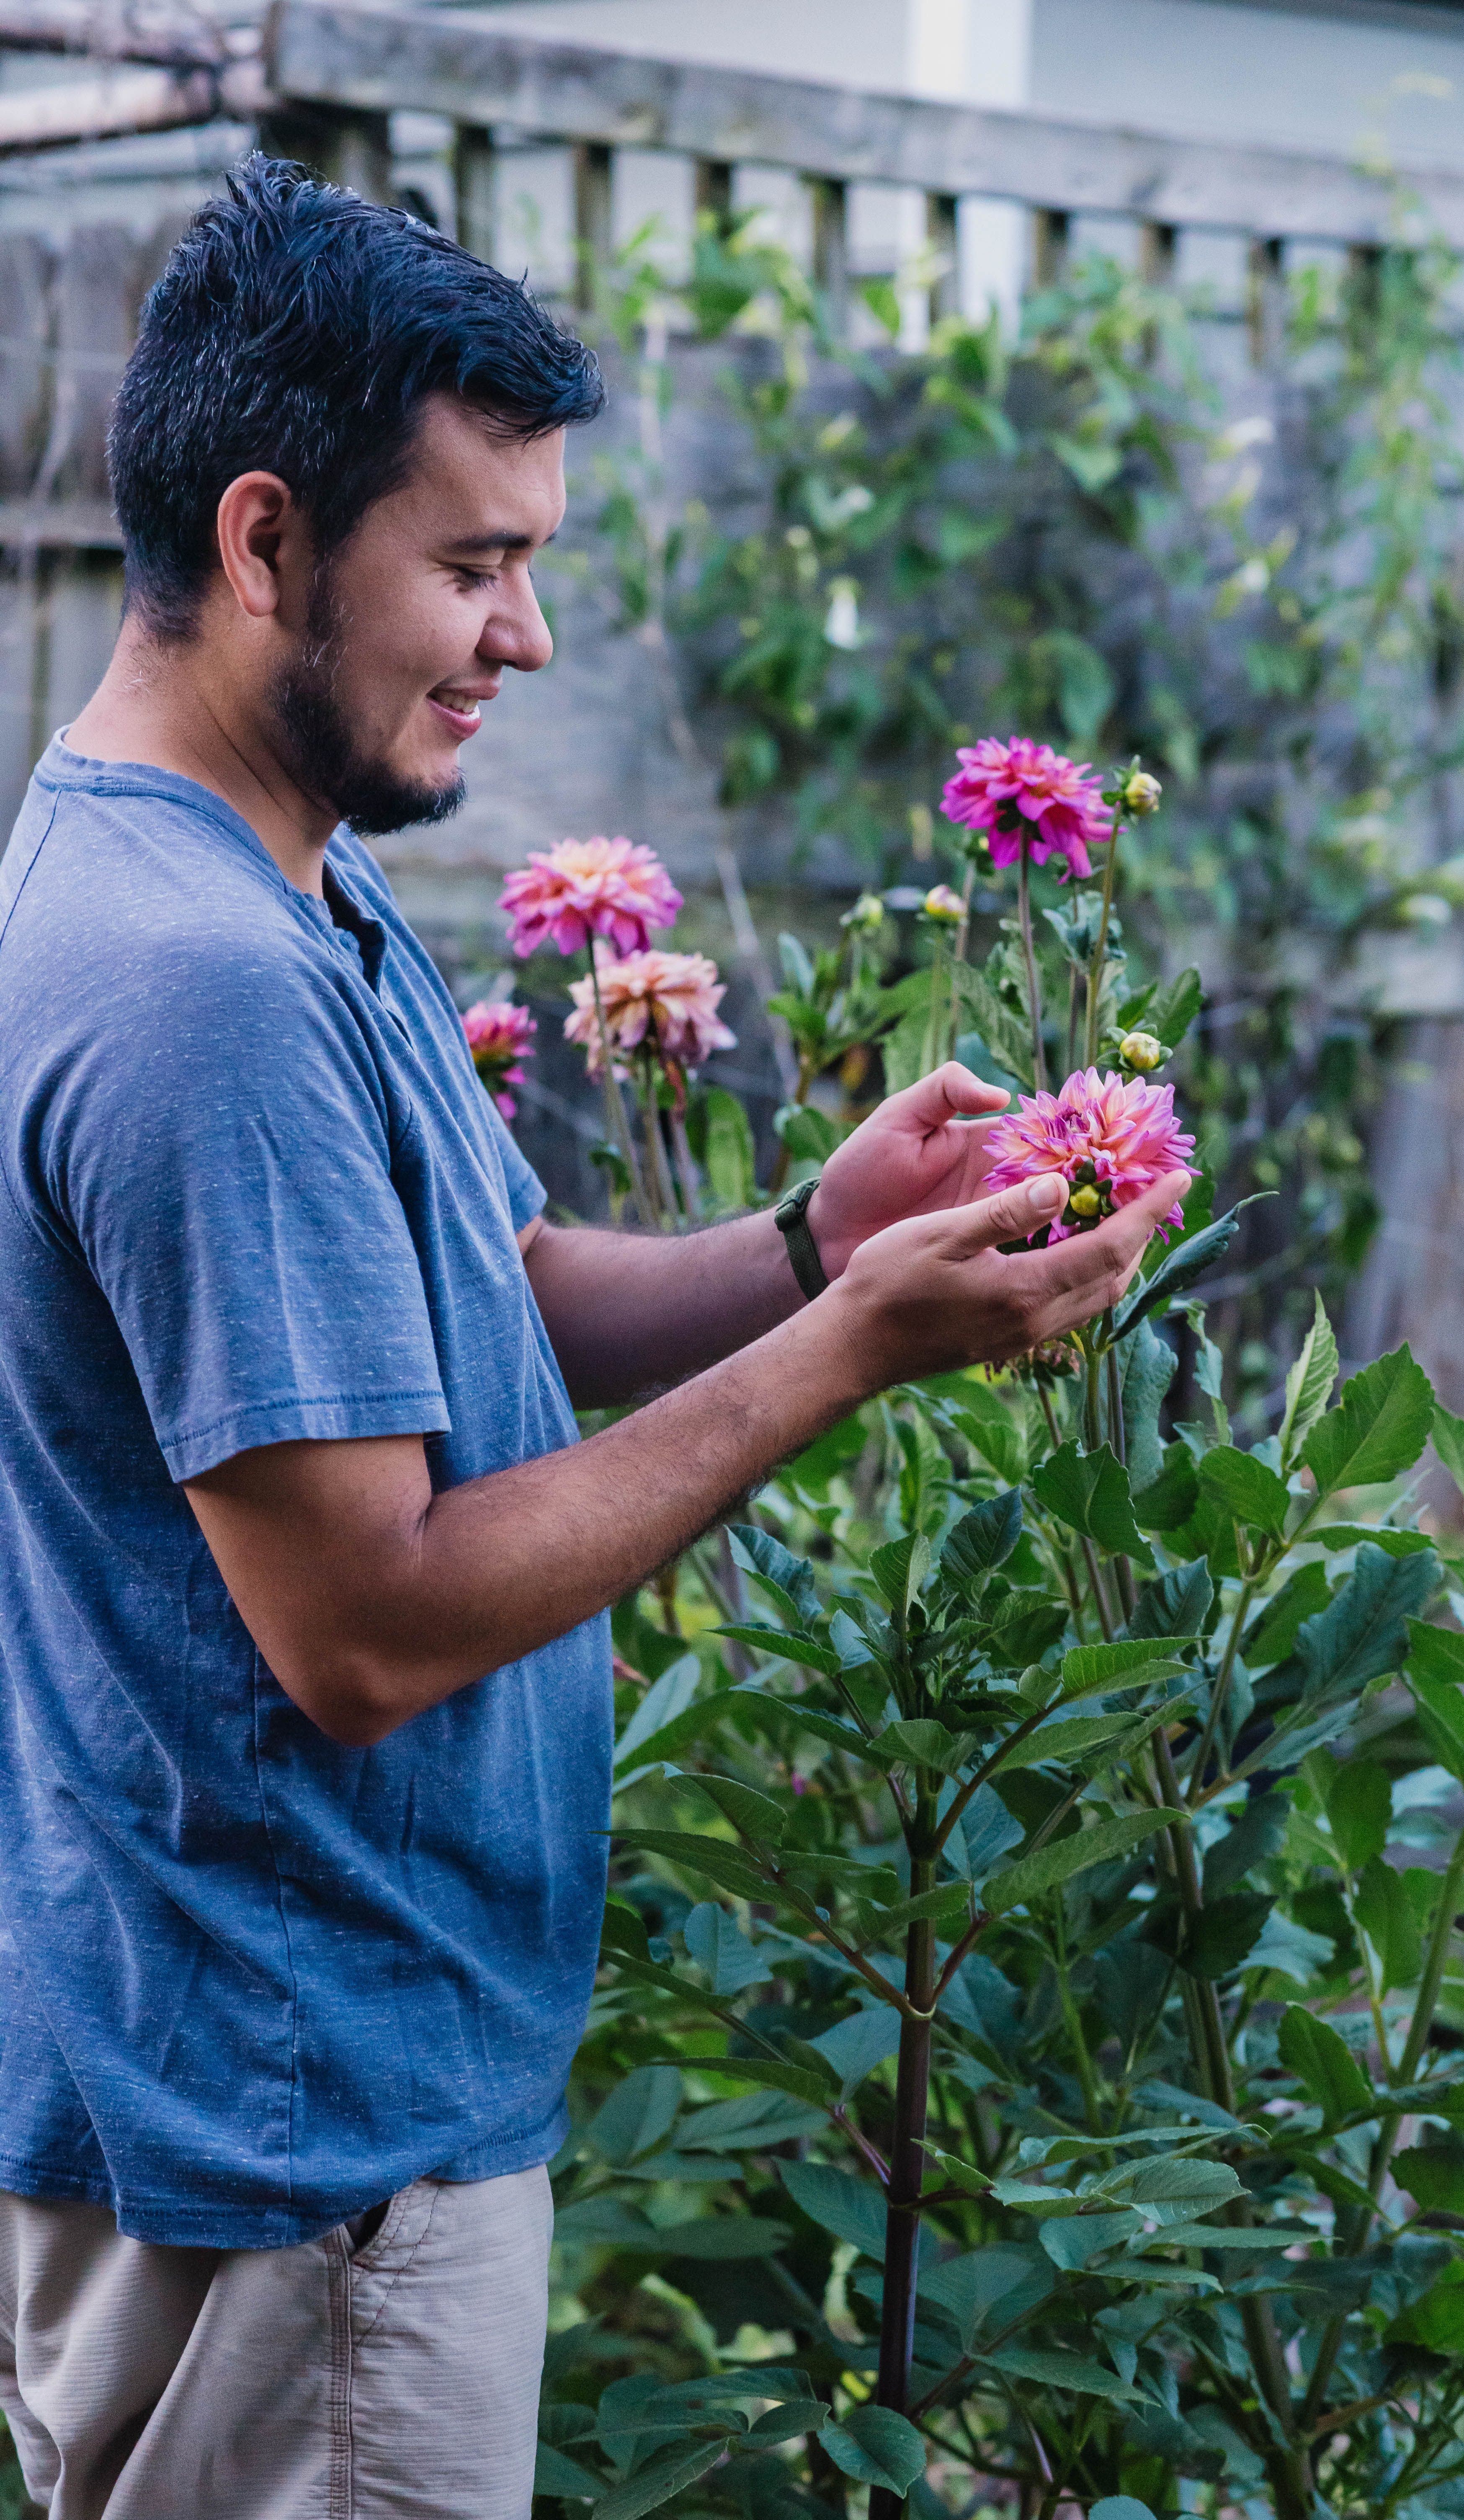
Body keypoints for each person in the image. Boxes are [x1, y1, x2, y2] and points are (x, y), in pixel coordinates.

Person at [0, 156, 1188, 2518]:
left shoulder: (277, 891)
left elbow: (494, 1303)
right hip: (301, 2155)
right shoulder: (202, 988)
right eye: (471, 564)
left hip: (308, 2102)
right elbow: (365, 1618)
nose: (524, 636)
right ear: (262, 544)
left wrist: (805, 1229)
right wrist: (851, 1348)